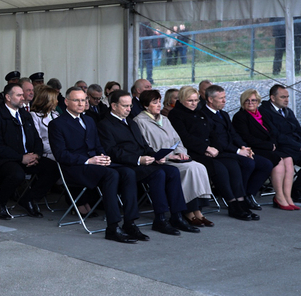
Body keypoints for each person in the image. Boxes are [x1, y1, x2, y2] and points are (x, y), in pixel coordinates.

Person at [48, 87, 142, 244]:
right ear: (66, 102)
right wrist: (89, 161)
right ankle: (112, 227)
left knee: (128, 172)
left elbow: (98, 145)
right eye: (76, 100)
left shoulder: (89, 120)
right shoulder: (57, 124)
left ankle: (130, 223)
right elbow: (61, 155)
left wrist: (103, 157)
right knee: (112, 175)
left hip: (96, 164)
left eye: (84, 100)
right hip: (76, 168)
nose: (81, 103)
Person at [98, 90, 198, 235]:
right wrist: (139, 159)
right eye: (125, 106)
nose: (129, 109)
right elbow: (112, 151)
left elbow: (144, 145)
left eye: (130, 106)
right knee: (159, 173)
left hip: (143, 161)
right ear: (113, 106)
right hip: (126, 165)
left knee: (173, 171)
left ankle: (177, 215)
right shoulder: (105, 125)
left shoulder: (131, 122)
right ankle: (160, 218)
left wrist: (155, 155)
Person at [168, 86, 260, 221]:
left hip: (211, 151)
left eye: (196, 100)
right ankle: (232, 203)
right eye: (190, 101)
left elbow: (212, 133)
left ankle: (240, 201)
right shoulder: (176, 114)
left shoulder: (199, 112)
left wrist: (215, 148)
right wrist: (206, 148)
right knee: (220, 169)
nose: (194, 103)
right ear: (182, 100)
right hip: (194, 152)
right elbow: (184, 137)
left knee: (233, 165)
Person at [133, 90, 214, 227]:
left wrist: (182, 153)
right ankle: (188, 212)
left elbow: (178, 140)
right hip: (162, 159)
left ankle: (198, 211)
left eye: (159, 102)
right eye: (155, 103)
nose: (159, 105)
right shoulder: (139, 121)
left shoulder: (165, 119)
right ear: (146, 105)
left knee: (199, 166)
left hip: (176, 157)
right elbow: (147, 146)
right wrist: (171, 155)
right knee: (190, 169)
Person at [0, 84, 59, 220]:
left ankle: (29, 199)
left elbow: (37, 139)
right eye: (18, 95)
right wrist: (21, 158)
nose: (23, 98)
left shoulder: (25, 115)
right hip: (5, 160)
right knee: (17, 174)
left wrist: (36, 154)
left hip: (28, 157)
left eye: (22, 95)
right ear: (7, 97)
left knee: (53, 168)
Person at [199, 85, 273, 215]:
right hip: (219, 152)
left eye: (224, 97)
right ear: (210, 99)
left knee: (266, 164)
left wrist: (244, 147)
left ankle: (247, 195)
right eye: (221, 98)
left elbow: (233, 134)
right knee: (247, 163)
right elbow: (217, 141)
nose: (224, 101)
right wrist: (238, 151)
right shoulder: (204, 116)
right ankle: (239, 199)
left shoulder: (223, 114)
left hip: (232, 149)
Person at [232, 89, 297, 210]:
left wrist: (272, 143)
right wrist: (268, 146)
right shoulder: (240, 116)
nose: (251, 103)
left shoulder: (261, 113)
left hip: (269, 147)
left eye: (254, 100)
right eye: (247, 100)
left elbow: (273, 131)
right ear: (242, 102)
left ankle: (287, 197)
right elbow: (247, 138)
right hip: (254, 148)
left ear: (258, 102)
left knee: (288, 158)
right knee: (278, 160)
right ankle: (279, 196)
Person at [259, 84, 301, 198]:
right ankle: (297, 191)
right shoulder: (264, 112)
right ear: (273, 98)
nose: (287, 100)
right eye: (283, 97)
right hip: (282, 147)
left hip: (294, 145)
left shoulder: (287, 111)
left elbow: (298, 129)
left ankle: (297, 189)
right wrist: (298, 146)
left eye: (287, 97)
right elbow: (276, 135)